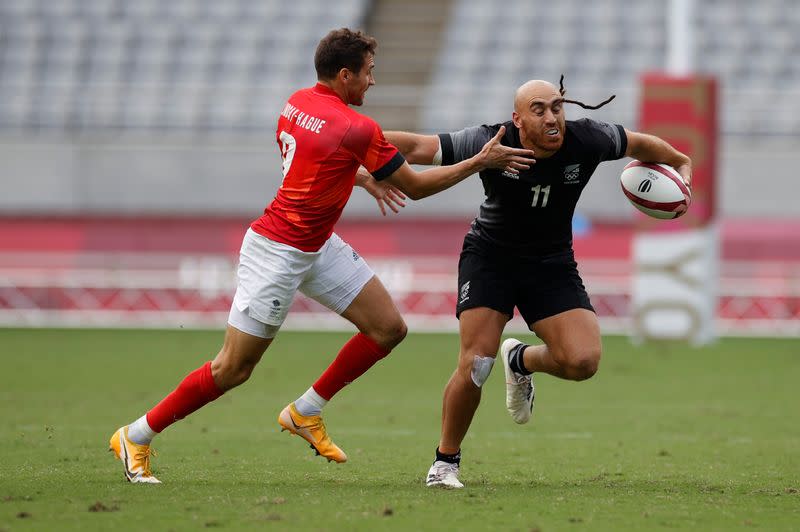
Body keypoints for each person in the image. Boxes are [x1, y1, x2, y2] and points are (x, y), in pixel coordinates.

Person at [107, 28, 536, 483]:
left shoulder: (297, 104)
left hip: (316, 244)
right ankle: (136, 435)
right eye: (368, 73)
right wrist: (479, 163)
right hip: (278, 253)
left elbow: (317, 163)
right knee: (233, 368)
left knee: (388, 328)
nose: (373, 82)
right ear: (345, 74)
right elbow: (414, 186)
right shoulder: (355, 127)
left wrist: (362, 176)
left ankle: (305, 411)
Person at [375, 77, 692, 488]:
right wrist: (356, 143)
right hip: (490, 258)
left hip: (551, 262)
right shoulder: (490, 142)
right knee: (476, 364)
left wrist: (682, 163)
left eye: (557, 107)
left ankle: (521, 360)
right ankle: (445, 463)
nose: (552, 117)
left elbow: (641, 145)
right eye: (539, 109)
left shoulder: (590, 139)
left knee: (582, 362)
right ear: (518, 120)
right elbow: (416, 147)